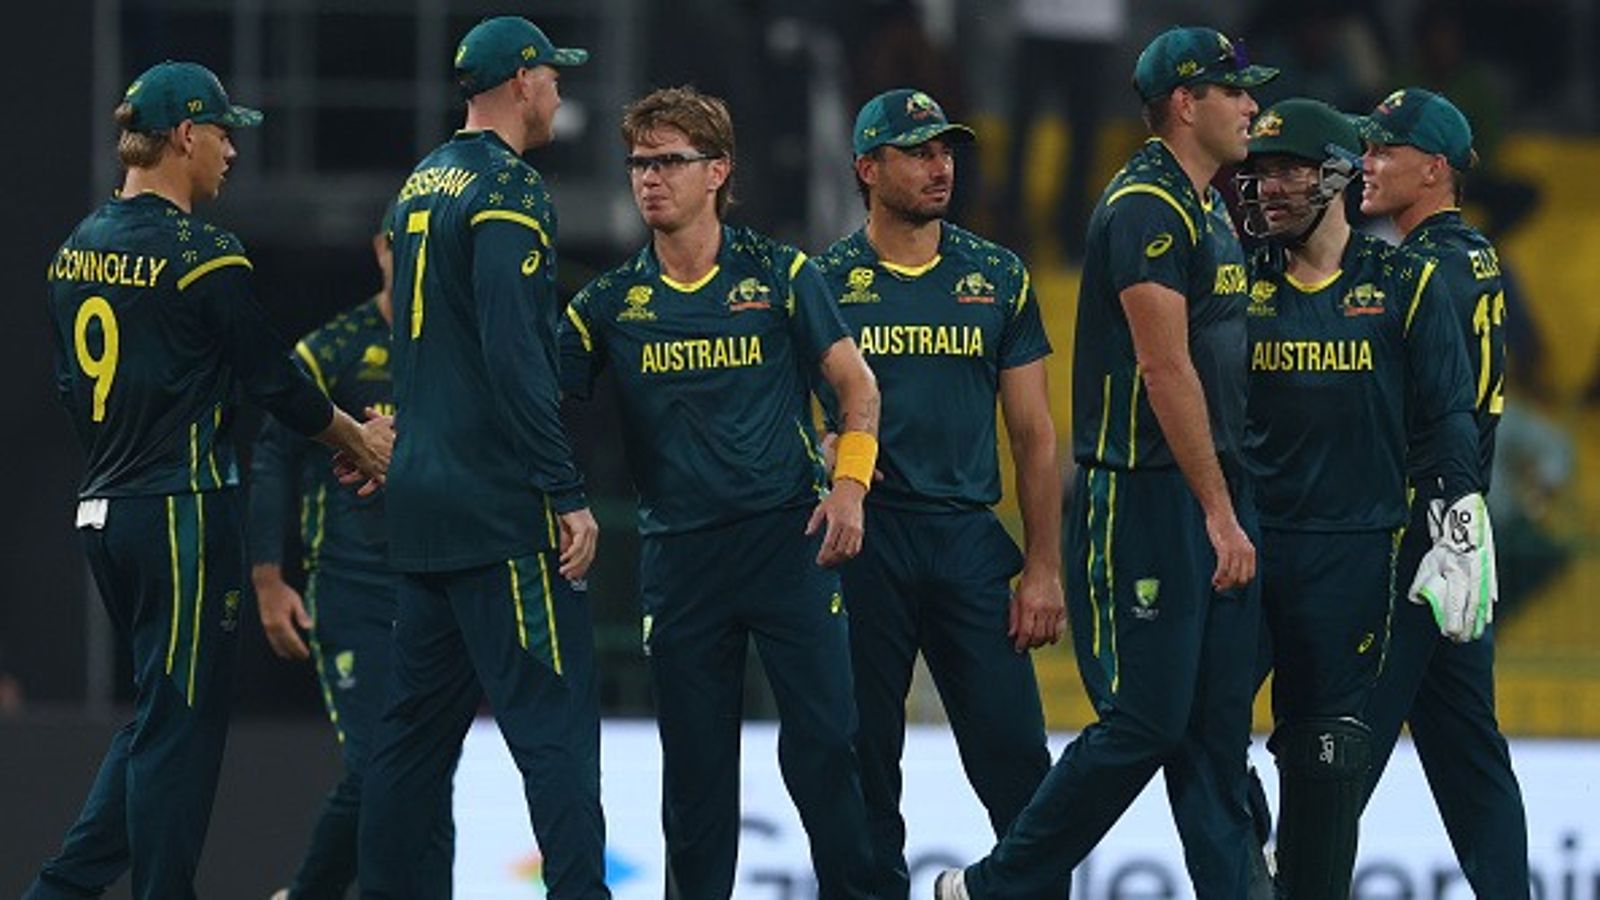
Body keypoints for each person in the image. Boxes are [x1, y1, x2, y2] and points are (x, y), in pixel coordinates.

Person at [30, 60, 389, 900]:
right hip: (181, 512)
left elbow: (69, 391)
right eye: (224, 134)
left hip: (104, 511)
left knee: (159, 721)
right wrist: (359, 440)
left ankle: (59, 891)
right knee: (181, 736)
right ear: (186, 135)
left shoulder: (75, 249)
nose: (232, 151)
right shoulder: (203, 254)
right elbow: (274, 380)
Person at [937, 26, 1276, 900]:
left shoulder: (1205, 205)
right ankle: (993, 888)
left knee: (1214, 735)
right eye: (1234, 91)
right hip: (1146, 495)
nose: (1251, 106)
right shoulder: (1145, 208)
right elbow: (1165, 370)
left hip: (1210, 488)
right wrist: (1219, 512)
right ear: (1184, 104)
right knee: (1145, 722)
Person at [558, 86, 882, 900]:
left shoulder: (780, 273)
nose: (649, 178)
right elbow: (535, 397)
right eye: (639, 163)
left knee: (827, 750)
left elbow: (857, 387)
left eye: (669, 161)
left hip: (788, 543)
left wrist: (849, 486)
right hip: (682, 559)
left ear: (718, 171)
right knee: (696, 780)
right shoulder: (608, 303)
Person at [356, 17, 608, 899]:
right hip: (499, 505)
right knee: (557, 732)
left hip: (423, 500)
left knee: (412, 741)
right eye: (554, 76)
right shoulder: (508, 189)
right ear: (524, 80)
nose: (560, 93)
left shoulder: (419, 183)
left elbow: (427, 339)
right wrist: (564, 488)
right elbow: (514, 354)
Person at [812, 88, 1065, 900]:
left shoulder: (997, 275)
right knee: (862, 765)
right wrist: (819, 449)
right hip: (865, 541)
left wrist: (1043, 570)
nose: (940, 166)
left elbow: (1034, 436)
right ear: (867, 167)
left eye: (946, 150)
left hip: (965, 539)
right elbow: (773, 411)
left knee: (1021, 765)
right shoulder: (822, 281)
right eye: (918, 152)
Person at [1232, 96, 1482, 898]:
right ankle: (1246, 867)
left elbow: (1448, 418)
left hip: (1354, 557)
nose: (1269, 188)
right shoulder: (1235, 283)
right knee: (1194, 727)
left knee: (1329, 757)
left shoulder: (1408, 284)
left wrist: (1459, 524)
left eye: (1289, 171)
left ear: (1336, 177)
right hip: (1248, 550)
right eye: (1261, 172)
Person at [1356, 86, 1529, 898]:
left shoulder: (1416, 271)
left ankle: (1290, 876)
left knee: (1347, 735)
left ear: (1433, 169)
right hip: (1462, 527)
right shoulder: (1478, 256)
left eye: (1383, 150)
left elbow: (1418, 411)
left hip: (1411, 533)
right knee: (1469, 751)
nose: (1366, 162)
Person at [252, 204, 452, 900]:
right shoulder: (331, 349)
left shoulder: (458, 349)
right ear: (379, 250)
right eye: (403, 247)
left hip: (439, 586)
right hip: (352, 585)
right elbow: (271, 454)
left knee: (430, 773)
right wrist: (268, 579)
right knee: (379, 769)